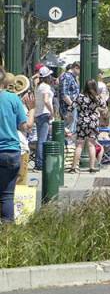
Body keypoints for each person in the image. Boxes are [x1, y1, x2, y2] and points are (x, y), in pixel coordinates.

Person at [0, 67, 30, 223]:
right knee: (7, 195)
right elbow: (24, 127)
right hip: (10, 151)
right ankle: (7, 233)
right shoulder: (13, 99)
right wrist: (31, 110)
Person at [71, 80, 103, 173]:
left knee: (79, 145)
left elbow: (72, 106)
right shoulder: (96, 97)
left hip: (82, 121)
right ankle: (92, 167)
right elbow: (104, 106)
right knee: (91, 144)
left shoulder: (80, 97)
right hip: (93, 121)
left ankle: (74, 167)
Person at [33, 67, 56, 170]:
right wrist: (52, 111)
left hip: (38, 114)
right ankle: (40, 162)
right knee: (43, 140)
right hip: (44, 114)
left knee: (41, 139)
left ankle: (39, 161)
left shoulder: (37, 87)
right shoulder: (46, 87)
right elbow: (46, 100)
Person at [60, 62, 81, 134]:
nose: (79, 73)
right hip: (68, 108)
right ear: (76, 68)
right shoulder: (67, 76)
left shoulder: (72, 77)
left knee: (71, 129)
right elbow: (64, 94)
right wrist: (72, 106)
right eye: (79, 70)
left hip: (71, 106)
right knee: (69, 130)